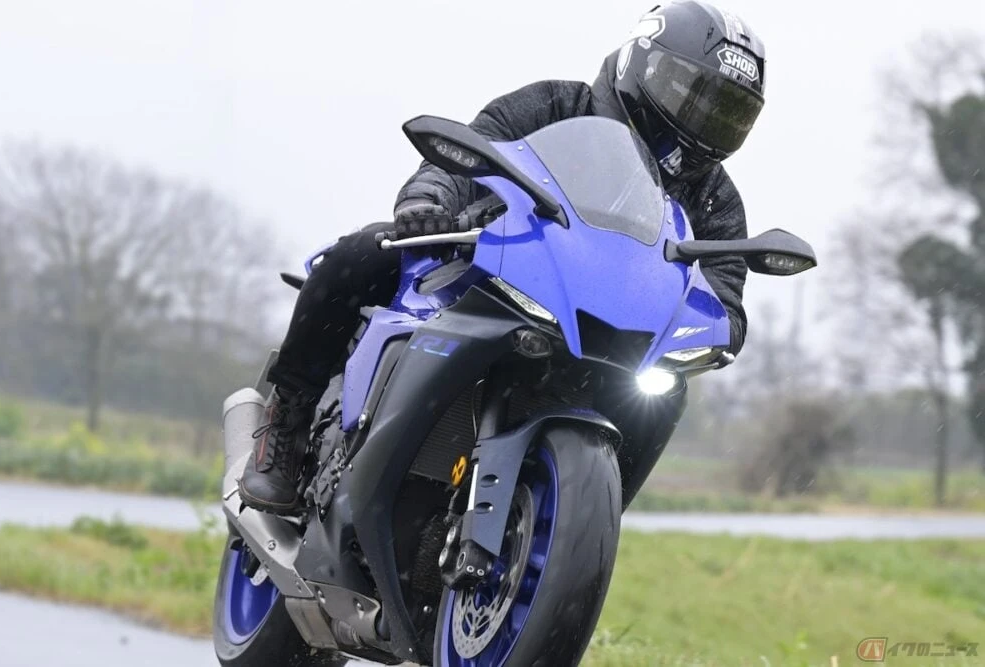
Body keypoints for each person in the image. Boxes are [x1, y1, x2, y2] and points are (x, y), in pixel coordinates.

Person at [239, 0, 766, 515]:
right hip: (496, 273)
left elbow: (724, 296)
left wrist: (715, 328)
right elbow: (467, 154)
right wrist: (427, 201)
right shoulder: (553, 106)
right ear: (642, 64)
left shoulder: (715, 200)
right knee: (365, 251)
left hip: (612, 338)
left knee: (667, 391)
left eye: (728, 112)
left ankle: (584, 515)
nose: (705, 118)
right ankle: (288, 416)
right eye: (691, 92)